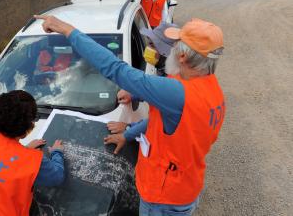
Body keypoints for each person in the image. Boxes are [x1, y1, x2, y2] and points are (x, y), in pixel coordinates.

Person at [34, 15, 225, 216]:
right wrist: (134, 106)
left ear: (184, 57)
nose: (172, 48)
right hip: (186, 184)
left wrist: (66, 29)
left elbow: (115, 69)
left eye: (177, 44)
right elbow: (167, 120)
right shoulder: (210, 87)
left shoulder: (177, 94)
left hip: (163, 198)